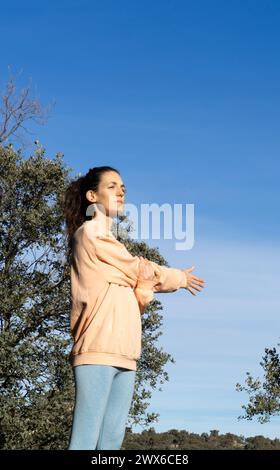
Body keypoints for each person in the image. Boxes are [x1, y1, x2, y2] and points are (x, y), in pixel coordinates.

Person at [63, 165, 205, 450]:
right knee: (85, 441)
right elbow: (137, 269)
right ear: (92, 196)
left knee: (111, 441)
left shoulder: (110, 241)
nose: (121, 192)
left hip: (126, 352)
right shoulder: (90, 234)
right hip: (96, 349)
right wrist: (177, 277)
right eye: (112, 186)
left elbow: (134, 287)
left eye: (123, 187)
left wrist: (141, 288)